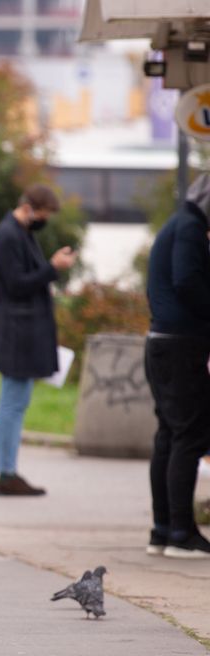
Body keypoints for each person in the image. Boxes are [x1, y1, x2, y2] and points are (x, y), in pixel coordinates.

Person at [0, 184, 76, 497]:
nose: (44, 220)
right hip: (15, 330)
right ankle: (6, 472)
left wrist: (48, 267)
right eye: (45, 214)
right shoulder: (9, 236)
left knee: (17, 401)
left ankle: (9, 470)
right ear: (31, 208)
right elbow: (16, 284)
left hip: (20, 329)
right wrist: (52, 269)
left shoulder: (20, 233)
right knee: (12, 402)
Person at [143, 174, 210, 559]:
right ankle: (181, 532)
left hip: (162, 343)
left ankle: (163, 529)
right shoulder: (190, 228)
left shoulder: (178, 222)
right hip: (181, 344)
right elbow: (188, 282)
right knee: (189, 434)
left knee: (170, 435)